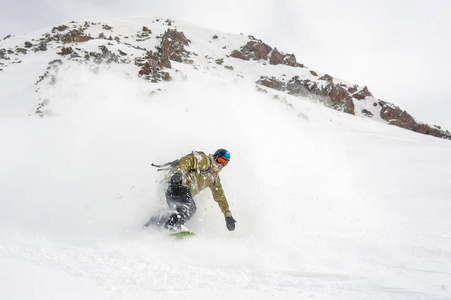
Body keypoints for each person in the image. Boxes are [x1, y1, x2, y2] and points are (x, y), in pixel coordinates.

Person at [147, 149, 236, 232]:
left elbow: (220, 195)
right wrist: (179, 172)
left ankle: (154, 225)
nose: (221, 164)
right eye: (220, 160)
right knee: (189, 208)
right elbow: (188, 160)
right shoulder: (205, 160)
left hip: (180, 191)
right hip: (177, 184)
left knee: (178, 211)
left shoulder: (214, 178)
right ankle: (170, 228)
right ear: (215, 157)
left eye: (225, 163)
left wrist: (227, 215)